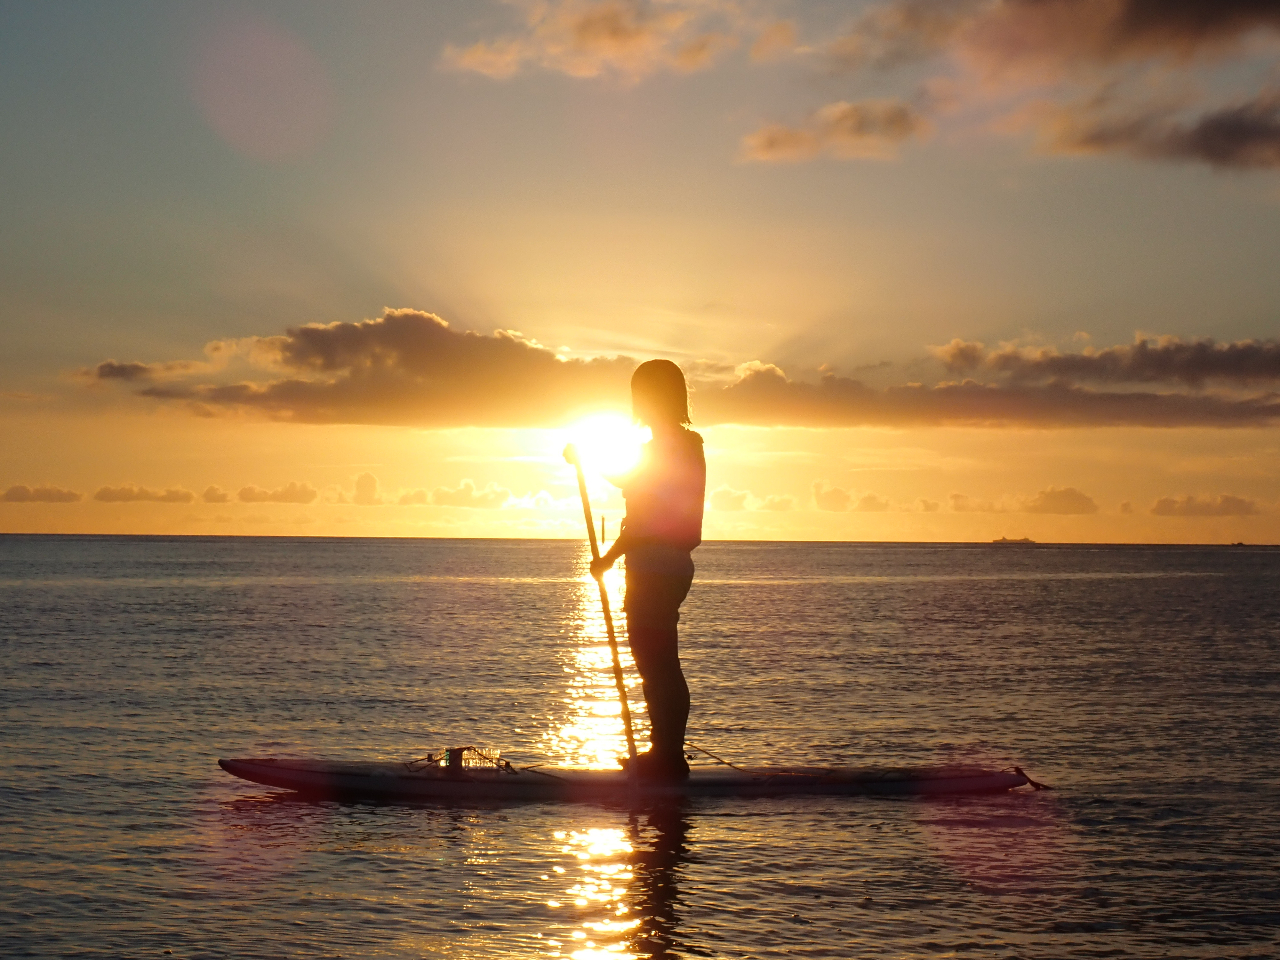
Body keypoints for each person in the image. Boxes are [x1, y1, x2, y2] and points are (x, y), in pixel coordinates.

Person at [591, 360, 705, 781]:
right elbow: (631, 487)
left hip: (657, 566)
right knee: (655, 660)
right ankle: (665, 751)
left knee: (657, 662)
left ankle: (668, 757)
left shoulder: (671, 446)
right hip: (662, 564)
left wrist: (611, 556)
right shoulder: (678, 445)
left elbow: (644, 516)